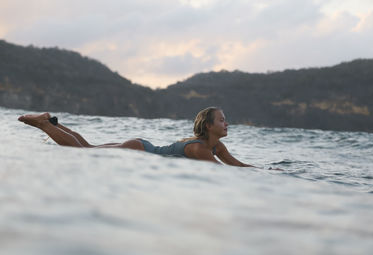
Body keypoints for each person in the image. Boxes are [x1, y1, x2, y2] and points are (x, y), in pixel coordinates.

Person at [18, 107, 255, 167]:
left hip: (141, 147)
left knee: (88, 147)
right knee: (83, 150)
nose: (227, 123)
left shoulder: (217, 146)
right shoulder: (200, 149)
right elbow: (223, 171)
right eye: (222, 120)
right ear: (209, 125)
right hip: (139, 150)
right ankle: (43, 124)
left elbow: (238, 165)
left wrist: (266, 172)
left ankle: (48, 122)